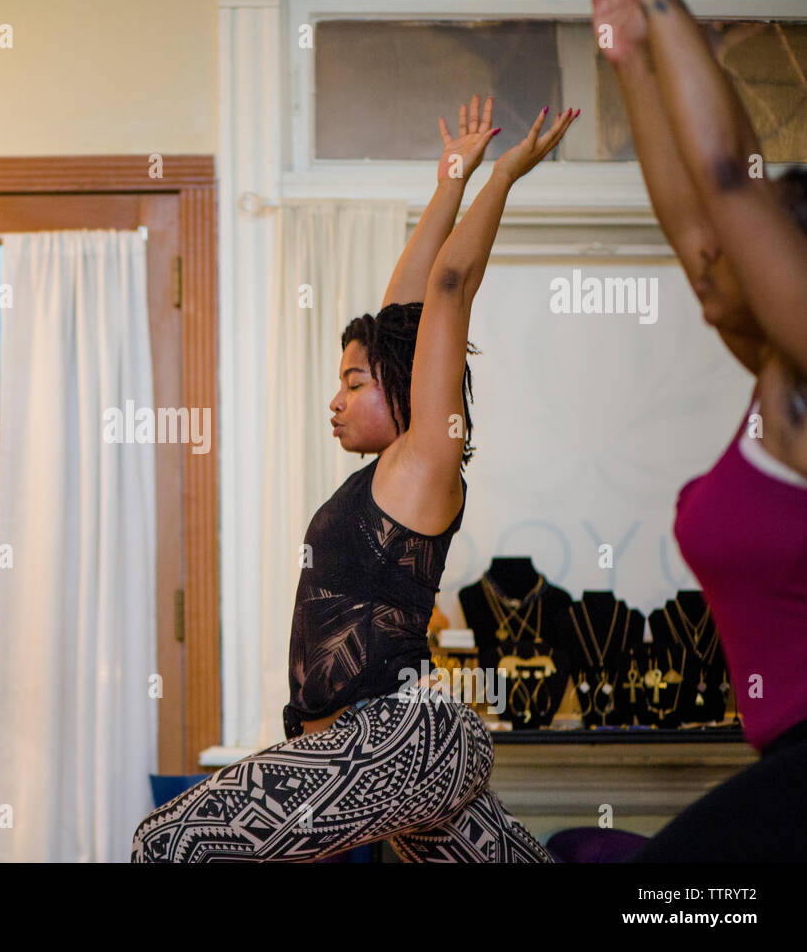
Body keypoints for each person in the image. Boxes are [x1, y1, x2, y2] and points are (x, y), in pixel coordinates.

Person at [132, 97, 577, 862]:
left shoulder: (426, 460)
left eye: (353, 381)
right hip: (396, 751)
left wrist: (502, 176)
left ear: (401, 389)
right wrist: (450, 178)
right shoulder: (385, 475)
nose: (334, 401)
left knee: (170, 842)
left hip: (403, 737)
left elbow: (446, 290)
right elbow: (405, 307)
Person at [590, 0, 807, 861]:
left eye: (739, 242)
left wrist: (662, 6)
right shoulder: (772, 379)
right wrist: (627, 53)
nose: (710, 253)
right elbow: (692, 225)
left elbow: (724, 179)